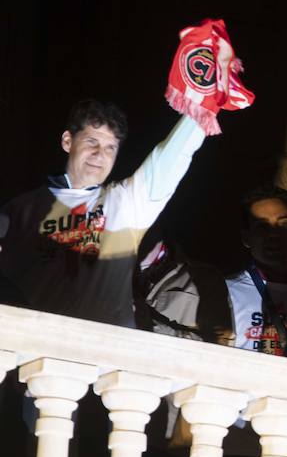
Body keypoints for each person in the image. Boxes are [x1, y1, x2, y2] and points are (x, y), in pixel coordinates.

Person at [0, 21, 249, 328]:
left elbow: (173, 155)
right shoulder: (21, 210)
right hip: (36, 349)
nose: (99, 155)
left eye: (110, 147)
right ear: (67, 141)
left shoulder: (126, 202)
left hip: (108, 352)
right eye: (91, 142)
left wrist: (207, 98)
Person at [219, 185, 287, 361]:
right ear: (246, 237)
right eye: (262, 226)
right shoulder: (224, 294)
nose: (274, 234)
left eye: (283, 224)